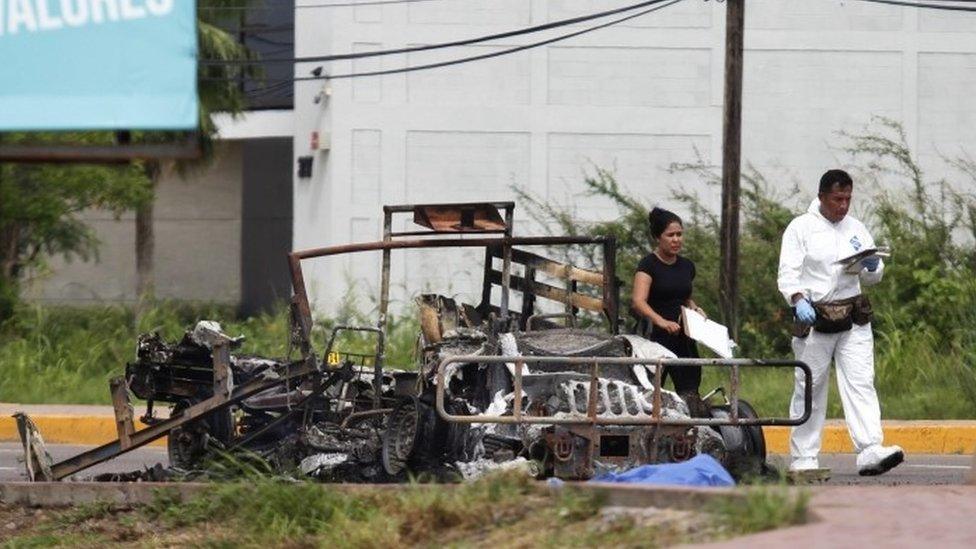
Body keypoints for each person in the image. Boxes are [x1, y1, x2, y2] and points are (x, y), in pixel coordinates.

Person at [778, 169, 904, 476]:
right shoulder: (801, 228)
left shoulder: (856, 228)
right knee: (811, 385)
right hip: (816, 316)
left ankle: (870, 449)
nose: (843, 205)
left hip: (853, 317)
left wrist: (873, 267)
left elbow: (872, 277)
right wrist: (797, 299)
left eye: (848, 198)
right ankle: (804, 457)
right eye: (838, 199)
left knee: (861, 381)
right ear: (822, 196)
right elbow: (788, 272)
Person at [632, 207, 706, 405]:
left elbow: (685, 298)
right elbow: (639, 301)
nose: (676, 240)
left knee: (689, 390)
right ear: (658, 237)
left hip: (683, 338)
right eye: (670, 235)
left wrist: (695, 309)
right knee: (651, 394)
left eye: (679, 235)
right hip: (655, 338)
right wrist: (662, 322)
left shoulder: (687, 266)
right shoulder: (648, 265)